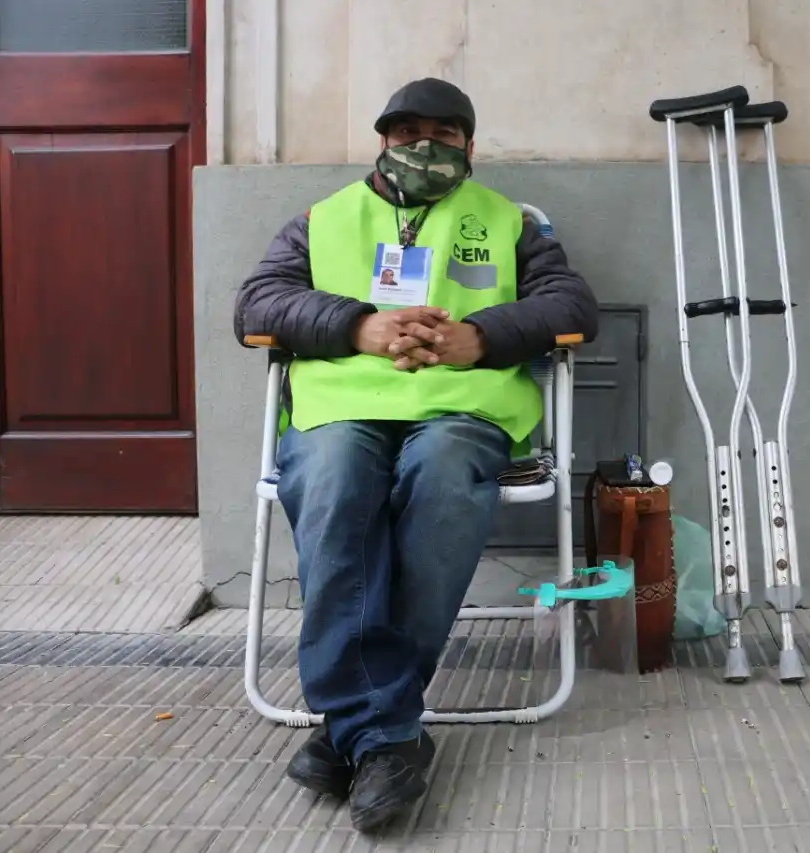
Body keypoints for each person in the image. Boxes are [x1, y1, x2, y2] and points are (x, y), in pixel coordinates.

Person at [233, 77, 599, 833]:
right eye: (407, 133)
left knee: (441, 484)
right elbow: (257, 302)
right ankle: (386, 734)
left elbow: (572, 305)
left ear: (471, 145)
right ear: (382, 141)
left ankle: (354, 729)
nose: (423, 146)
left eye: (443, 134)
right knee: (333, 483)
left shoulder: (510, 223)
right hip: (343, 407)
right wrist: (358, 326)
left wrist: (481, 336)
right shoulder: (322, 220)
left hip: (462, 410)